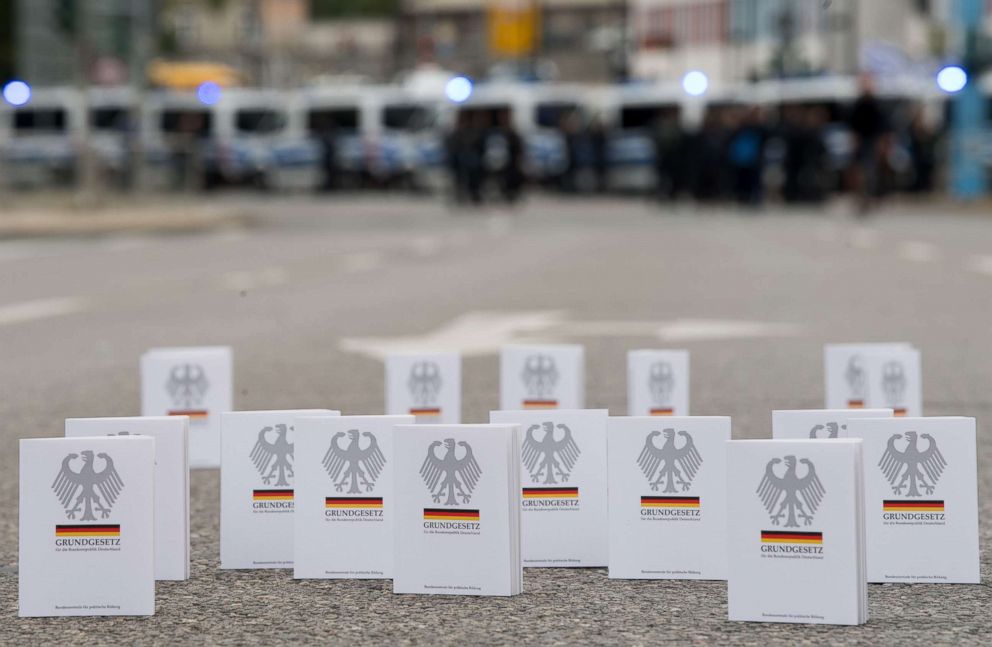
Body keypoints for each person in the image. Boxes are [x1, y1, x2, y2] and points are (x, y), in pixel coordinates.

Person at [847, 74, 889, 214]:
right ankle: (861, 199)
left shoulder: (876, 104)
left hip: (872, 141)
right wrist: (854, 141)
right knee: (859, 173)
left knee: (871, 172)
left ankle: (871, 198)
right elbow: (853, 126)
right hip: (861, 142)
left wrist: (882, 143)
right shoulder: (858, 104)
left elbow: (882, 126)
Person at [728, 106, 766, 207]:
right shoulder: (740, 128)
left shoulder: (759, 128)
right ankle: (742, 197)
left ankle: (753, 198)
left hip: (753, 159)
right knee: (742, 180)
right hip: (742, 158)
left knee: (753, 180)